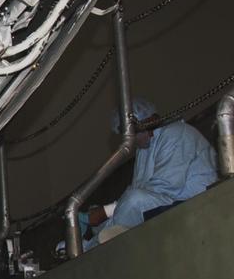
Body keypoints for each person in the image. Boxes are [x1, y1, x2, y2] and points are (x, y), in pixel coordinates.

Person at [82, 97, 219, 247]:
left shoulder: (176, 133)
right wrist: (101, 214)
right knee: (102, 221)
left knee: (134, 200)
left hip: (196, 202)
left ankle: (88, 248)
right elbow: (140, 188)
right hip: (169, 203)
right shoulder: (144, 149)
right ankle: (97, 240)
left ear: (149, 121)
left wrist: (107, 211)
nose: (131, 140)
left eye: (132, 132)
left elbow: (163, 188)